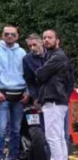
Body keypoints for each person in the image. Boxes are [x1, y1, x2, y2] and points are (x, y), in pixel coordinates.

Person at [0, 24, 26, 160]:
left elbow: (28, 74)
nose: (9, 36)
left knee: (16, 129)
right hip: (2, 94)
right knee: (1, 128)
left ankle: (13, 156)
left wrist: (27, 92)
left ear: (17, 36)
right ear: (2, 35)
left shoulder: (22, 53)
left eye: (12, 34)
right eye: (7, 34)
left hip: (19, 96)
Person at [36, 29, 75, 160]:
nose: (46, 40)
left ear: (57, 40)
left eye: (50, 37)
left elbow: (40, 74)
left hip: (53, 100)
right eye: (44, 37)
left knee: (52, 136)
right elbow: (71, 82)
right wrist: (65, 95)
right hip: (59, 100)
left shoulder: (57, 57)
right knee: (59, 136)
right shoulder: (56, 56)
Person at [21, 33, 49, 160]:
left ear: (41, 43)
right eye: (30, 45)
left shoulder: (52, 55)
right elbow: (29, 80)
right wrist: (35, 97)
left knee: (59, 133)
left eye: (34, 44)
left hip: (53, 96)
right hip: (36, 98)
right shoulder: (27, 59)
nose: (32, 48)